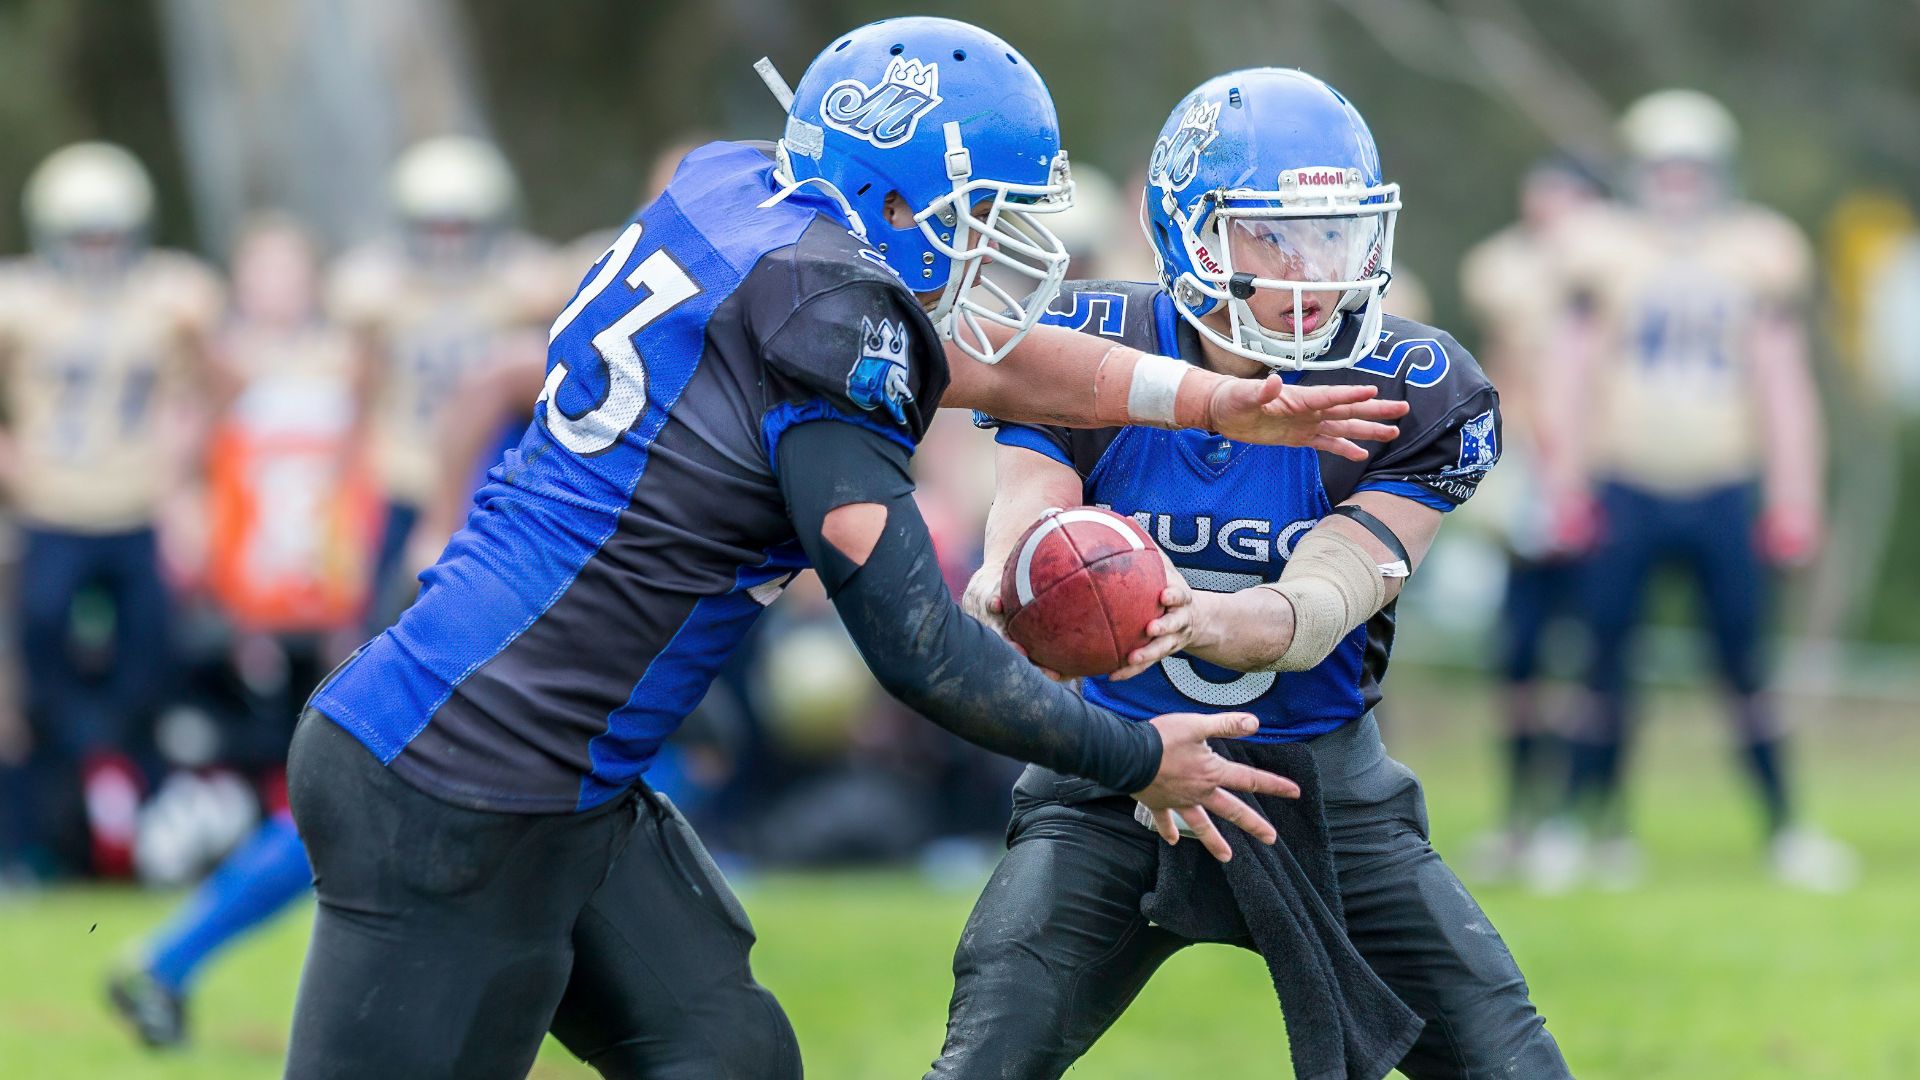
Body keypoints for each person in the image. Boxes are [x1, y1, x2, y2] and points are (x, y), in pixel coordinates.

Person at [282, 19, 1407, 1080]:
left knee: (731, 1060)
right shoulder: (826, 321)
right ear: (898, 195)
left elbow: (991, 366)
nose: (998, 245)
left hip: (558, 770)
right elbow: (920, 647)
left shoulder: (739, 194)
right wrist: (1134, 756)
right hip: (456, 779)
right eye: (982, 213)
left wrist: (1215, 402)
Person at [927, 69, 1568, 1079]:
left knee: (1513, 1063)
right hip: (1112, 777)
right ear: (1190, 233)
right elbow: (1032, 511)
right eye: (1275, 233)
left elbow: (1327, 599)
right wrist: (1018, 579)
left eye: (1335, 231)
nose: (1315, 264)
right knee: (984, 1058)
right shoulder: (1091, 337)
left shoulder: (1416, 385)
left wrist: (1197, 618)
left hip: (1321, 788)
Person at [1531, 89, 1856, 892]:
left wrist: (1795, 495)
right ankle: (1580, 826)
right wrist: (1564, 482)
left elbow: (1783, 384)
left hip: (1721, 486)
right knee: (1602, 661)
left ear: (1718, 173)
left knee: (1747, 665)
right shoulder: (1600, 249)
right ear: (1640, 173)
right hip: (1624, 486)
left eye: (1692, 168)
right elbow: (1565, 378)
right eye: (1664, 168)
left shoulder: (1757, 252)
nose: (1678, 184)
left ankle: (1786, 828)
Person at [108, 217, 376, 1047]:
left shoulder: (346, 360)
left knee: (340, 807)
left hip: (333, 607)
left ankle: (169, 964)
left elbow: (363, 474)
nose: (276, 287)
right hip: (254, 613)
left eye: (289, 269)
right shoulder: (221, 366)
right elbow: (177, 465)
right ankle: (167, 961)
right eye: (261, 270)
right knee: (338, 805)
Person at [0, 142, 224, 877]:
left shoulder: (172, 295)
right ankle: (52, 835)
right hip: (52, 506)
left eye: (108, 234)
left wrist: (183, 481)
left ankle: (148, 830)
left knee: (151, 669)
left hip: (137, 506)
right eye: (82, 236)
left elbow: (205, 393)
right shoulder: (20, 299)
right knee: (42, 668)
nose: (97, 252)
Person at [326, 135, 562, 627]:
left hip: (490, 479)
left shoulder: (525, 283)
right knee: (383, 621)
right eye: (434, 227)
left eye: (461, 227)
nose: (448, 244)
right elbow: (360, 392)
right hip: (403, 475)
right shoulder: (377, 293)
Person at [1455, 156, 1605, 879]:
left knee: (1593, 661)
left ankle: (1584, 817)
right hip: (1529, 482)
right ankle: (1520, 814)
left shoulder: (1617, 273)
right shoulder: (1506, 273)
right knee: (1520, 658)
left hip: (1597, 483)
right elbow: (1504, 373)